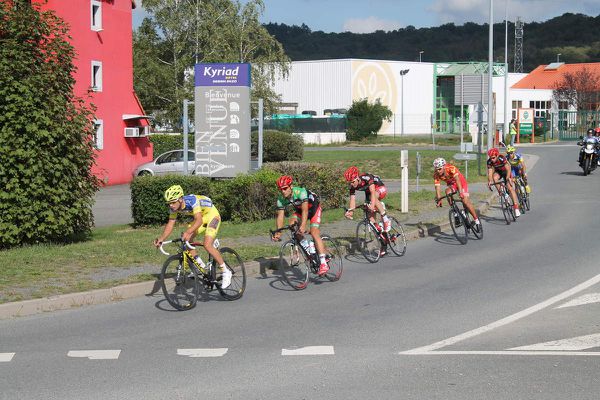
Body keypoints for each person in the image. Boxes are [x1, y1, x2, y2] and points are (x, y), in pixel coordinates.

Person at [153, 185, 231, 289]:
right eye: (169, 203)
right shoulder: (174, 208)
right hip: (202, 217)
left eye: (173, 202)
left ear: (180, 199)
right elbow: (171, 224)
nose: (171, 205)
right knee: (186, 238)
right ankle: (200, 265)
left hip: (212, 215)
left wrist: (188, 231)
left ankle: (226, 271)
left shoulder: (192, 200)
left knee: (207, 244)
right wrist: (161, 238)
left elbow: (198, 220)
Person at [271, 175, 329, 276]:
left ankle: (323, 263)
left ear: (291, 187)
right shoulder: (281, 199)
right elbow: (280, 216)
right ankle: (309, 247)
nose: (283, 191)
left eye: (285, 188)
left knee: (314, 232)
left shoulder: (300, 192)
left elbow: (305, 210)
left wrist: (303, 225)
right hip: (300, 211)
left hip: (314, 208)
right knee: (292, 225)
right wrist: (278, 231)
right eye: (281, 189)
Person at [432, 158, 480, 227]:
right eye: (436, 169)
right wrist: (439, 199)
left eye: (439, 169)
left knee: (465, 201)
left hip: (461, 183)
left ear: (444, 166)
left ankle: (476, 220)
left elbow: (457, 180)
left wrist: (460, 192)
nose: (438, 171)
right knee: (447, 192)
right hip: (452, 185)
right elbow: (437, 187)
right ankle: (455, 213)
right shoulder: (436, 174)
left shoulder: (451, 168)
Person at [486, 148, 521, 217]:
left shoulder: (502, 158)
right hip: (499, 172)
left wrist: (508, 178)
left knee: (510, 188)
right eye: (490, 158)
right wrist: (490, 181)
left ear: (497, 156)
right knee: (494, 178)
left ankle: (516, 208)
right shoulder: (489, 162)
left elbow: (508, 169)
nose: (492, 159)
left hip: (506, 172)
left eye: (493, 158)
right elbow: (490, 173)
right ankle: (501, 193)